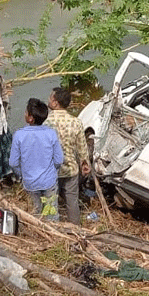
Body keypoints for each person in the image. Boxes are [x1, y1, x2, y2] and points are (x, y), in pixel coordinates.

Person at [9, 98, 64, 221]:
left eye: (26, 112)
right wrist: (52, 172)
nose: (24, 114)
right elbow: (59, 160)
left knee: (35, 212)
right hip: (49, 182)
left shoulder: (19, 135)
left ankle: (37, 235)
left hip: (30, 182)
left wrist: (22, 174)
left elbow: (13, 163)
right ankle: (54, 235)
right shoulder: (51, 133)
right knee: (52, 213)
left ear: (30, 118)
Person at [43, 87, 91, 224]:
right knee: (72, 201)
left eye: (50, 97)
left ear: (55, 102)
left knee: (51, 202)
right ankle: (75, 228)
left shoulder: (46, 123)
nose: (48, 99)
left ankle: (53, 229)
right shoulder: (75, 122)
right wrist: (85, 163)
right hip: (71, 170)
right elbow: (82, 148)